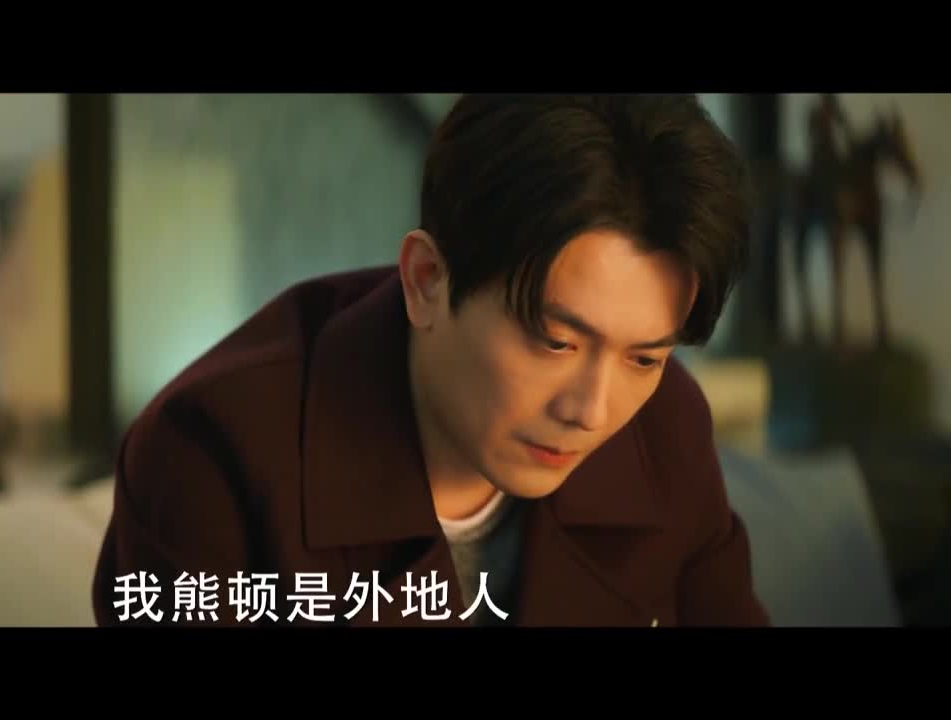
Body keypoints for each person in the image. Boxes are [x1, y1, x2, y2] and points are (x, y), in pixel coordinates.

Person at [92, 94, 770, 627]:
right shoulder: (212, 455)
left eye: (644, 358)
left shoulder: (663, 429)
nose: (591, 411)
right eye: (554, 341)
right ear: (426, 281)